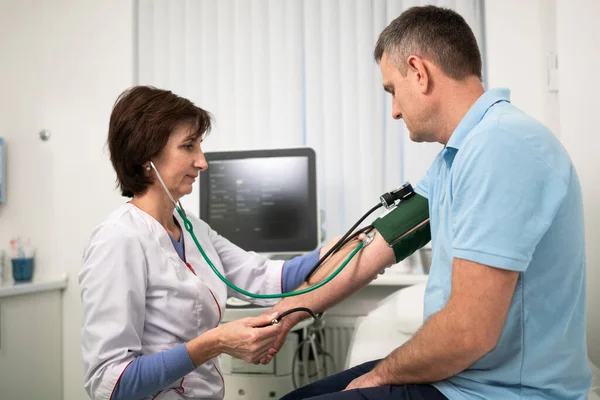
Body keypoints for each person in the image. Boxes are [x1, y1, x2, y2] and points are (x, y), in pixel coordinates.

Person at [273, 5, 592, 400]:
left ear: (419, 73)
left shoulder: (503, 147)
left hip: (499, 392)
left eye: (392, 89)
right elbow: (376, 247)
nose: (394, 111)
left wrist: (379, 375)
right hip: (461, 378)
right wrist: (286, 316)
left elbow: (467, 333)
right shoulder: (456, 156)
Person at [79, 86, 334, 400]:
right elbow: (110, 383)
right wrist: (214, 343)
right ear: (146, 156)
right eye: (188, 146)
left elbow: (266, 278)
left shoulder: (193, 229)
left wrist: (339, 248)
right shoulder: (118, 239)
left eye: (199, 145)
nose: (202, 162)